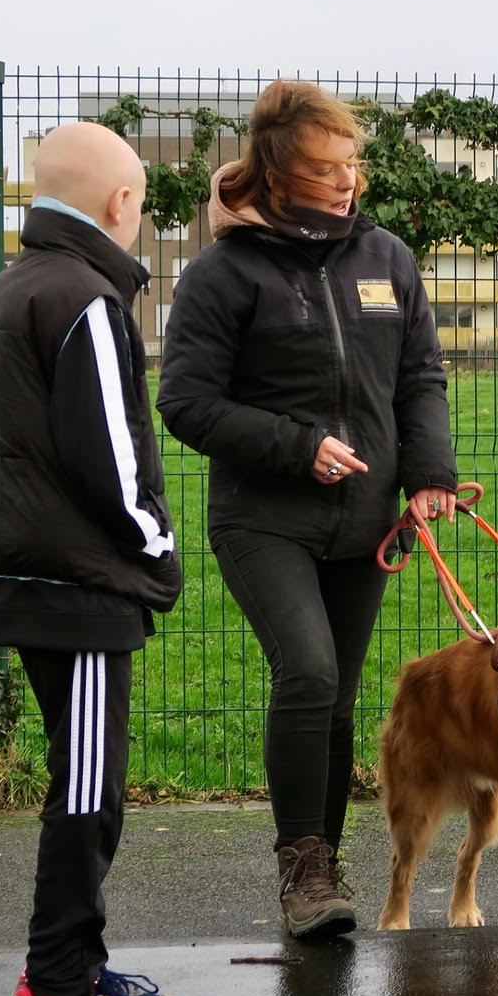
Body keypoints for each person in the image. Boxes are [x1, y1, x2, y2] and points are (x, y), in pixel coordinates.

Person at [157, 80, 457, 938]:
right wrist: (296, 444)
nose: (345, 181)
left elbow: (419, 377)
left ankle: (326, 865)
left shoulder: (386, 259)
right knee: (308, 672)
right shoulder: (224, 272)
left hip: (366, 522)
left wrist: (428, 472)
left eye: (350, 163)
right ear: (280, 173)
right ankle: (302, 869)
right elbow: (184, 402)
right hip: (266, 518)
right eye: (326, 168)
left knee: (335, 699)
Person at [0, 122, 182, 996]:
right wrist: (157, 551)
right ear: (119, 204)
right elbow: (111, 453)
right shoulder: (87, 297)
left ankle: (73, 965)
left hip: (37, 573)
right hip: (79, 585)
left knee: (79, 781)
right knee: (89, 793)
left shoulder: (19, 282)